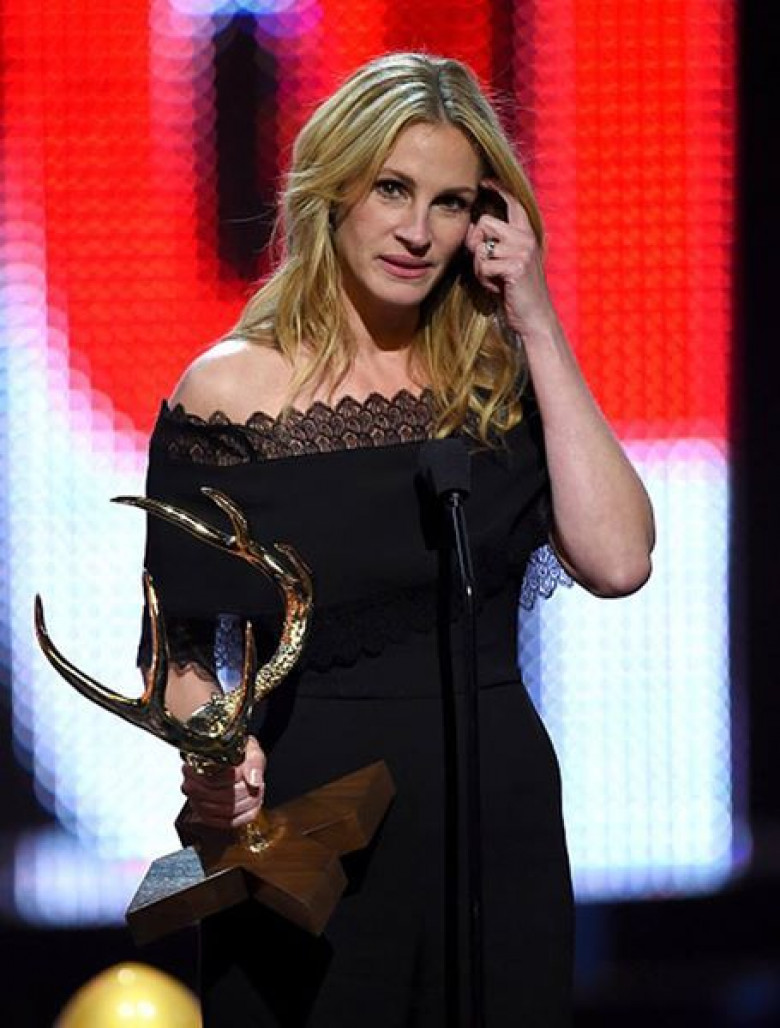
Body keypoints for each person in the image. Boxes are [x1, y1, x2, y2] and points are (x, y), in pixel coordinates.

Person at [140, 51, 654, 1027]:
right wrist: (215, 756)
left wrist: (538, 321)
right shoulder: (228, 392)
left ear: (486, 219)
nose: (419, 231)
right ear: (335, 187)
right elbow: (179, 649)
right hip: (310, 842)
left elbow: (621, 559)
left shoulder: (495, 382)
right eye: (392, 188)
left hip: (493, 825)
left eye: (450, 202)